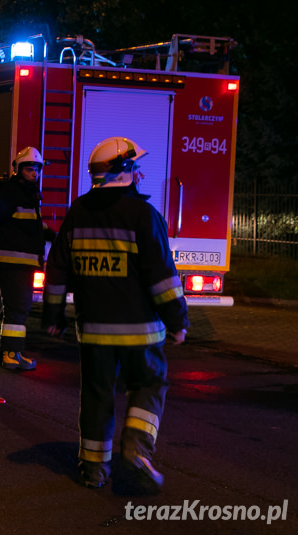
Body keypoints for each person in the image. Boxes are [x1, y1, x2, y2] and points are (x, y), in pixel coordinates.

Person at [41, 136, 189, 491]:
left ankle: (94, 470)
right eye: (135, 165)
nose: (139, 172)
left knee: (96, 396)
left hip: (93, 331)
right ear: (124, 171)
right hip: (141, 332)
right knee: (150, 383)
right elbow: (162, 277)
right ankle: (136, 447)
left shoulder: (77, 212)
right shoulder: (143, 215)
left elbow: (57, 269)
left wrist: (53, 316)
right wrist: (177, 320)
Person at [0, 146, 55, 371]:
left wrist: (51, 234)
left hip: (21, 263)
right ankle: (12, 355)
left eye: (37, 168)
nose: (34, 173)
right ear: (18, 169)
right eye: (29, 168)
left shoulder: (29, 194)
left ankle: (0, 350)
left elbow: (30, 225)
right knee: (19, 308)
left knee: (12, 308)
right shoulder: (12, 192)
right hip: (14, 263)